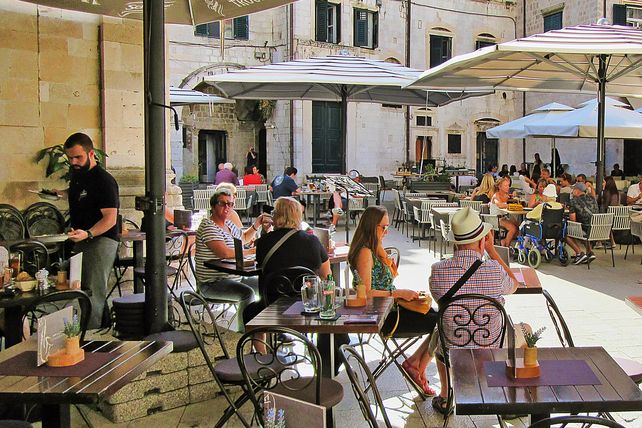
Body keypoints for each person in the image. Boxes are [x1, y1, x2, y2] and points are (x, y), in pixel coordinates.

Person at [429, 207, 520, 414]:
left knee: (439, 332)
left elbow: (442, 301)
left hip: (453, 348)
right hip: (491, 347)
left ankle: (446, 396)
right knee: (527, 331)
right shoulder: (494, 270)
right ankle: (513, 395)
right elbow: (514, 284)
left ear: (455, 242)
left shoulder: (437, 271)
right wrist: (492, 251)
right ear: (481, 242)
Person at [348, 206, 438, 395]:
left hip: (390, 309)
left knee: (442, 318)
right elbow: (366, 293)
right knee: (443, 323)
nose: (387, 232)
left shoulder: (374, 249)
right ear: (372, 226)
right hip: (382, 317)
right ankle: (417, 367)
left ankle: (415, 363)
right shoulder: (365, 253)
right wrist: (398, 293)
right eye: (383, 227)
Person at [60, 132, 119, 329]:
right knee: (82, 290)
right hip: (82, 238)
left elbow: (110, 218)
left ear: (91, 153)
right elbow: (81, 196)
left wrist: (89, 233)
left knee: (93, 291)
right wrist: (59, 194)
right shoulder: (78, 176)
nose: (74, 162)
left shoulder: (104, 180)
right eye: (70, 158)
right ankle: (100, 330)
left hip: (101, 240)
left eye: (78, 157)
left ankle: (91, 336)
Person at [194, 188, 267, 330]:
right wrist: (254, 251)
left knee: (267, 286)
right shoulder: (208, 226)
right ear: (213, 206)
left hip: (234, 277)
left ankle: (268, 329)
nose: (227, 207)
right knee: (247, 294)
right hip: (211, 283)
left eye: (230, 204)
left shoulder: (228, 224)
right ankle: (243, 333)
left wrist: (257, 224)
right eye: (222, 203)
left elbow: (244, 238)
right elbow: (224, 253)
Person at [566, 182, 599, 265]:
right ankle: (590, 252)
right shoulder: (593, 199)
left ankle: (579, 253)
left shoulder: (573, 201)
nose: (572, 191)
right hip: (596, 230)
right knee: (583, 229)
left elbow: (573, 221)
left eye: (573, 189)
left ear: (577, 191)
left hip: (586, 230)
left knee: (565, 232)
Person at [490, 176, 519, 247]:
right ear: (500, 187)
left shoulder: (506, 195)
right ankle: (507, 246)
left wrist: (514, 198)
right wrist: (510, 206)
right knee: (512, 228)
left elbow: (512, 199)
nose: (508, 187)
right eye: (505, 186)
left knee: (518, 226)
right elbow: (499, 205)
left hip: (503, 218)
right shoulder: (496, 195)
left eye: (508, 185)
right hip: (496, 219)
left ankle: (505, 241)